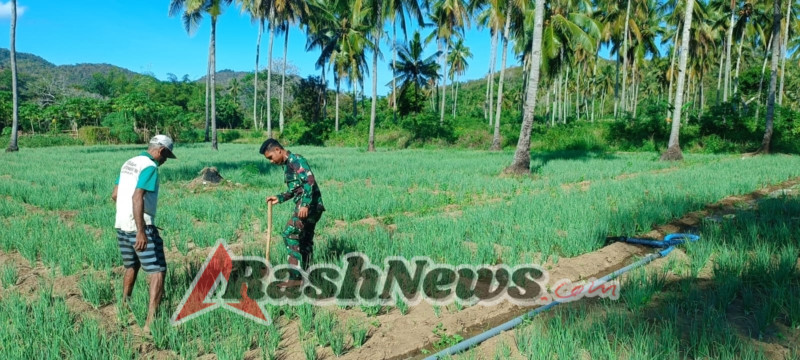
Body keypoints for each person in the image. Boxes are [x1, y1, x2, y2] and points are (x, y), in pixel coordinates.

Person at [111, 134, 176, 334]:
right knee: (157, 271)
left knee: (132, 266)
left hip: (121, 225)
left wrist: (128, 218)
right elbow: (137, 195)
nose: (165, 161)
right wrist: (141, 230)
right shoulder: (150, 167)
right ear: (161, 151)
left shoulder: (128, 163)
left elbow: (115, 194)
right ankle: (150, 323)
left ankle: (124, 307)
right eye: (166, 156)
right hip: (140, 227)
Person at [260, 139, 325, 287]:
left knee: (290, 234)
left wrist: (305, 204)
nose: (271, 161)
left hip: (310, 207)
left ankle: (295, 278)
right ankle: (307, 276)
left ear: (278, 150)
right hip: (313, 206)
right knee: (305, 240)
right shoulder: (288, 165)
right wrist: (280, 197)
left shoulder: (296, 160)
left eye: (270, 157)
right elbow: (295, 190)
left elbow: (309, 182)